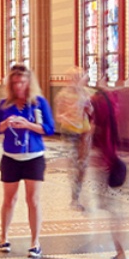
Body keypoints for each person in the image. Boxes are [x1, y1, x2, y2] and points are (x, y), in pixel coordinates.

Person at [0, 62, 55, 259]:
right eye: (15, 83)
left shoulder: (39, 103)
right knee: (10, 199)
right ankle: (4, 236)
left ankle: (35, 242)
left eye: (22, 82)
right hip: (11, 157)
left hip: (34, 157)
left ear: (29, 82)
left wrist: (28, 125)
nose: (18, 86)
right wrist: (5, 124)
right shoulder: (5, 104)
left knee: (33, 200)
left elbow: (49, 128)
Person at [91, 86, 129, 259]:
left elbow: (93, 132)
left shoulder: (97, 103)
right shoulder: (113, 101)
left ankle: (122, 257)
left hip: (109, 164)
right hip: (117, 161)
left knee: (114, 211)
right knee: (114, 209)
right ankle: (120, 255)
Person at [53, 66, 93, 212]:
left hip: (84, 132)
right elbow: (58, 116)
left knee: (82, 165)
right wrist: (67, 118)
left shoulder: (86, 93)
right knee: (73, 163)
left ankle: (78, 193)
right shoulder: (62, 95)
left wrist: (89, 109)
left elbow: (91, 112)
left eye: (79, 77)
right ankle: (74, 198)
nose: (76, 81)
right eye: (73, 78)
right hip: (69, 132)